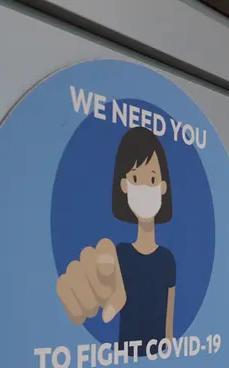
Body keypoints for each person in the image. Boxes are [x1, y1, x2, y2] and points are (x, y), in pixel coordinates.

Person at [56, 127, 176, 355]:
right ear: (124, 185)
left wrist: (172, 358)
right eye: (135, 178)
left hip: (158, 360)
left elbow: (168, 329)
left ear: (162, 187)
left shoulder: (167, 260)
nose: (144, 187)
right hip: (125, 359)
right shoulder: (119, 254)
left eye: (151, 179)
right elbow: (112, 295)